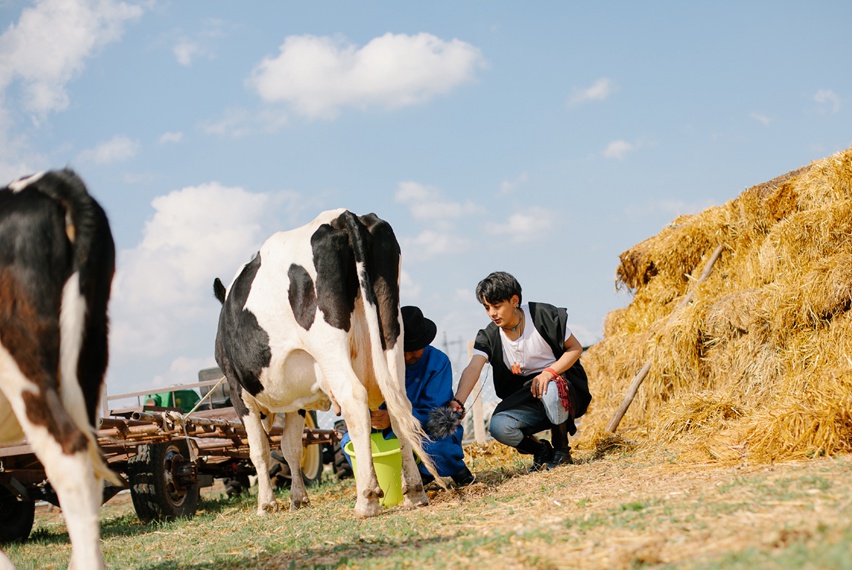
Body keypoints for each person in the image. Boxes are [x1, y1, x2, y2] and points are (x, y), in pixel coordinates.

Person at [451, 271, 592, 471]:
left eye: (497, 306)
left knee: (550, 387)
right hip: (526, 396)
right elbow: (474, 367)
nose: (492, 313)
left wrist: (549, 372)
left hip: (563, 389)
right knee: (499, 426)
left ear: (514, 300)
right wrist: (458, 402)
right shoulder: (490, 335)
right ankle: (542, 451)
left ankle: (561, 451)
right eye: (487, 307)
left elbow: (575, 348)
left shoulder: (542, 316)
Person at [340, 306, 474, 486]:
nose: (409, 356)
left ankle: (448, 469)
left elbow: (435, 411)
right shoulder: (378, 363)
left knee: (440, 448)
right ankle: (385, 481)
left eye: (415, 349)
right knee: (348, 442)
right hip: (386, 430)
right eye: (404, 349)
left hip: (427, 429)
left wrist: (394, 419)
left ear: (426, 342)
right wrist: (372, 417)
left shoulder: (438, 362)